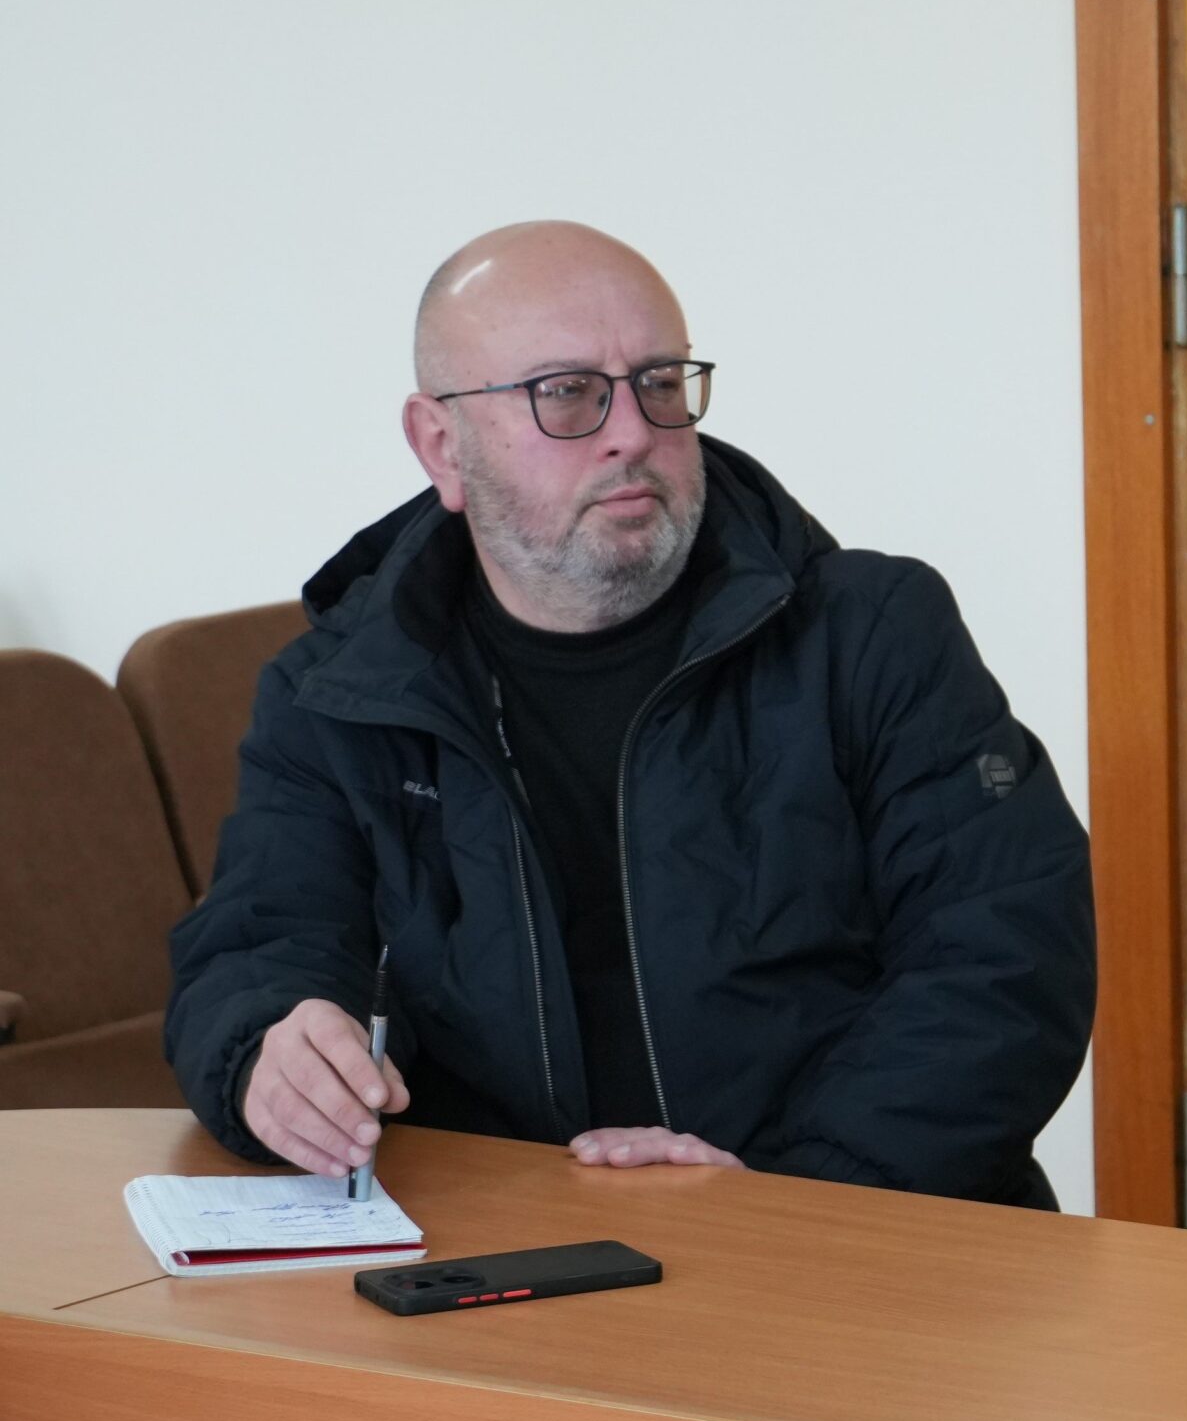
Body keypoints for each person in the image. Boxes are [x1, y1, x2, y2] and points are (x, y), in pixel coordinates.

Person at [166, 221, 1094, 1208]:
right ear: (441, 443)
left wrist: (793, 1194)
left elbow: (1006, 956)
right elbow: (262, 945)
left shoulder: (873, 632)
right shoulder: (334, 694)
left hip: (852, 1231)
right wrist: (269, 1051)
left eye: (658, 382)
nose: (633, 433)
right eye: (567, 391)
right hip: (498, 1245)